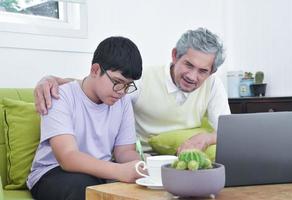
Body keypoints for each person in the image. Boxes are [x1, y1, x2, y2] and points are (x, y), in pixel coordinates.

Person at [34, 27, 231, 154]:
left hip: (184, 158)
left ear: (212, 72)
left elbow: (228, 130)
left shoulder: (213, 85)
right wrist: (54, 80)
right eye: (188, 65)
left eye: (203, 71)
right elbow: (102, 85)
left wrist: (206, 137)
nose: (193, 77)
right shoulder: (142, 80)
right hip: (142, 158)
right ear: (174, 56)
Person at [27, 36, 144, 200]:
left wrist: (143, 167)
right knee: (84, 188)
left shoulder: (123, 102)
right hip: (52, 173)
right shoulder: (60, 95)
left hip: (99, 174)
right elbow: (67, 157)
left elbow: (124, 152)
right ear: (95, 70)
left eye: (128, 85)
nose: (122, 91)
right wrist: (120, 171)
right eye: (118, 82)